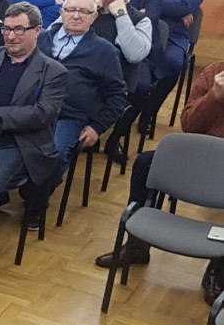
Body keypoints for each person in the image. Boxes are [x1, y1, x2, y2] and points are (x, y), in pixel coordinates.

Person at [94, 59, 224, 303]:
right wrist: (214, 97)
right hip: (200, 154)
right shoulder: (215, 72)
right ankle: (137, 245)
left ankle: (219, 267)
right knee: (146, 163)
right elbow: (189, 125)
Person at [0, 4, 68, 222]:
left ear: (37, 31)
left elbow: (42, 113)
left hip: (16, 143)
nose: (11, 36)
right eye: (7, 29)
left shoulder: (53, 71)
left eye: (19, 29)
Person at [38, 0, 127, 192]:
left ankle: (36, 200)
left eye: (84, 12)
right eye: (71, 10)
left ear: (93, 17)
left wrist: (97, 127)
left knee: (55, 155)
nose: (76, 16)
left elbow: (117, 95)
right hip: (30, 109)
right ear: (61, 12)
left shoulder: (105, 51)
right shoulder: (40, 39)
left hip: (69, 117)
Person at [137, 0, 209, 128]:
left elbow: (185, 6)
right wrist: (177, 8)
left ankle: (149, 113)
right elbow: (141, 0)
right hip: (147, 30)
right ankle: (129, 109)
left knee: (173, 63)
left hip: (175, 36)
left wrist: (154, 4)